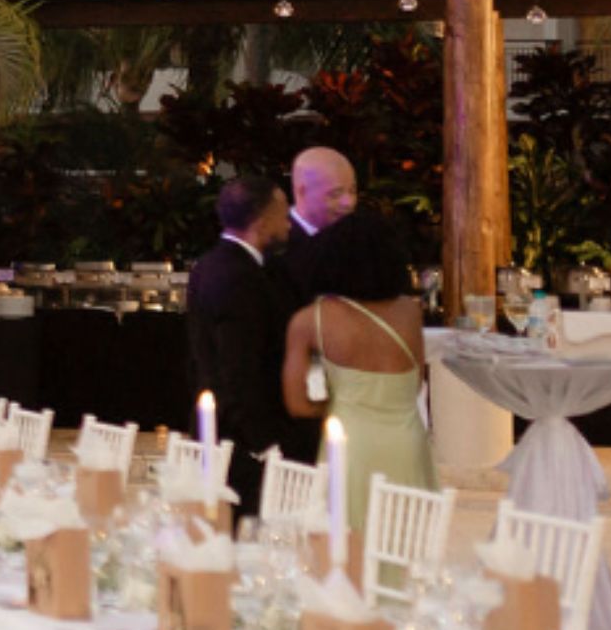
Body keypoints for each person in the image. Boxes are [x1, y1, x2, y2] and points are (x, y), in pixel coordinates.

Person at [280, 210, 435, 549]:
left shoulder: (311, 320)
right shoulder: (410, 311)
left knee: (346, 551)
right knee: (401, 549)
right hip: (406, 444)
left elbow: (297, 404)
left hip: (350, 446)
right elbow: (417, 382)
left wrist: (340, 406)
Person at [186, 175, 311, 512]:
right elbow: (239, 369)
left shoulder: (208, 265)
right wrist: (266, 443)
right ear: (261, 220)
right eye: (283, 213)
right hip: (240, 445)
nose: (289, 222)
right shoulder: (242, 278)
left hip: (219, 432)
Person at [276, 146, 358, 299]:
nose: (349, 202)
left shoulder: (358, 237)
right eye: (336, 194)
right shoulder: (278, 244)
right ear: (302, 192)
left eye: (352, 191)